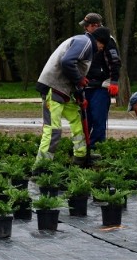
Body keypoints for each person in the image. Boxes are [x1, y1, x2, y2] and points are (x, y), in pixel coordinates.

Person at [34, 25, 112, 167]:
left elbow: (75, 71)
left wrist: (79, 95)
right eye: (103, 45)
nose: (102, 49)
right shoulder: (85, 42)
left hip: (64, 90)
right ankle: (41, 167)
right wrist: (79, 80)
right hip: (54, 87)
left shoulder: (86, 46)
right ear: (99, 41)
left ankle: (81, 157)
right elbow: (67, 62)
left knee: (78, 122)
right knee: (53, 130)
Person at [81, 13, 122, 148]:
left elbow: (115, 61)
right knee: (86, 119)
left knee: (98, 118)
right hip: (86, 85)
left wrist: (114, 82)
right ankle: (84, 146)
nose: (85, 29)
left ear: (95, 26)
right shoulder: (86, 39)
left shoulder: (107, 40)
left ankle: (97, 147)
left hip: (101, 86)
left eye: (88, 26)